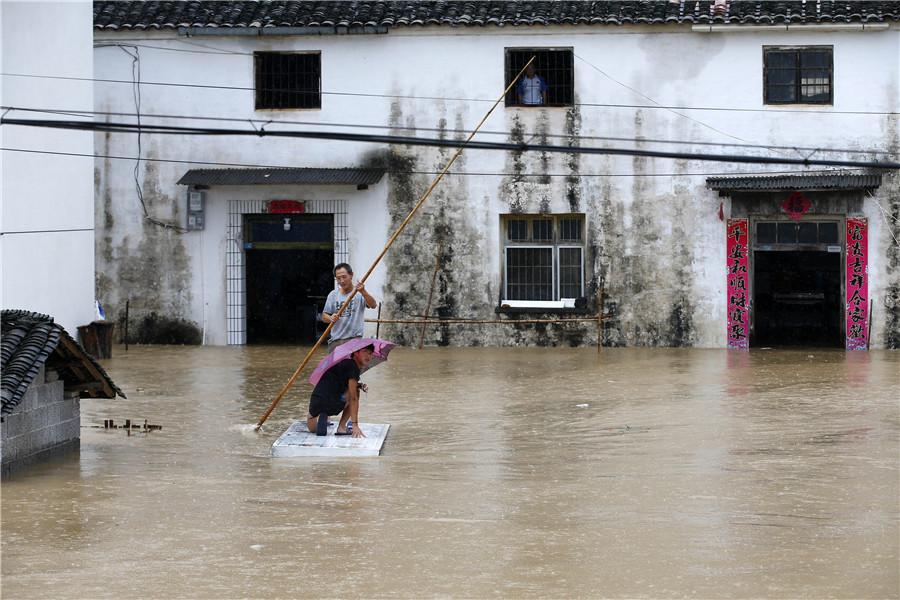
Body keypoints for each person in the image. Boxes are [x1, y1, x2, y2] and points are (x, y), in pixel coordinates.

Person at [306, 344, 373, 438]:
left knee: (313, 430)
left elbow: (337, 383)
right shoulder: (353, 367)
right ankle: (341, 427)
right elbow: (353, 398)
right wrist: (355, 425)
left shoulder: (343, 364)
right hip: (332, 404)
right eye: (365, 351)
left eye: (370, 353)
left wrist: (359, 385)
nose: (368, 356)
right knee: (355, 392)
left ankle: (319, 414)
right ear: (356, 353)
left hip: (316, 402)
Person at [321, 263, 377, 352]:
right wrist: (331, 318)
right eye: (338, 278)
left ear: (351, 275)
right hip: (336, 341)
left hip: (355, 342)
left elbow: (373, 305)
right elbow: (324, 316)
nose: (342, 281)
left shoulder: (359, 293)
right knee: (336, 366)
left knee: (352, 365)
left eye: (344, 277)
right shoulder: (333, 295)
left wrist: (363, 291)